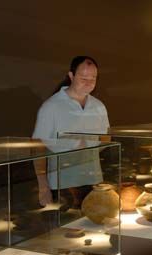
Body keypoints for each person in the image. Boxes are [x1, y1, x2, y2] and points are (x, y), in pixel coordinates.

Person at [32, 56, 110, 207]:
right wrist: (43, 185)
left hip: (94, 181)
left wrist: (87, 151)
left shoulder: (98, 106)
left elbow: (106, 138)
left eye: (93, 78)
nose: (89, 83)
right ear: (71, 76)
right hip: (62, 185)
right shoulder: (51, 106)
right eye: (83, 78)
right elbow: (38, 146)